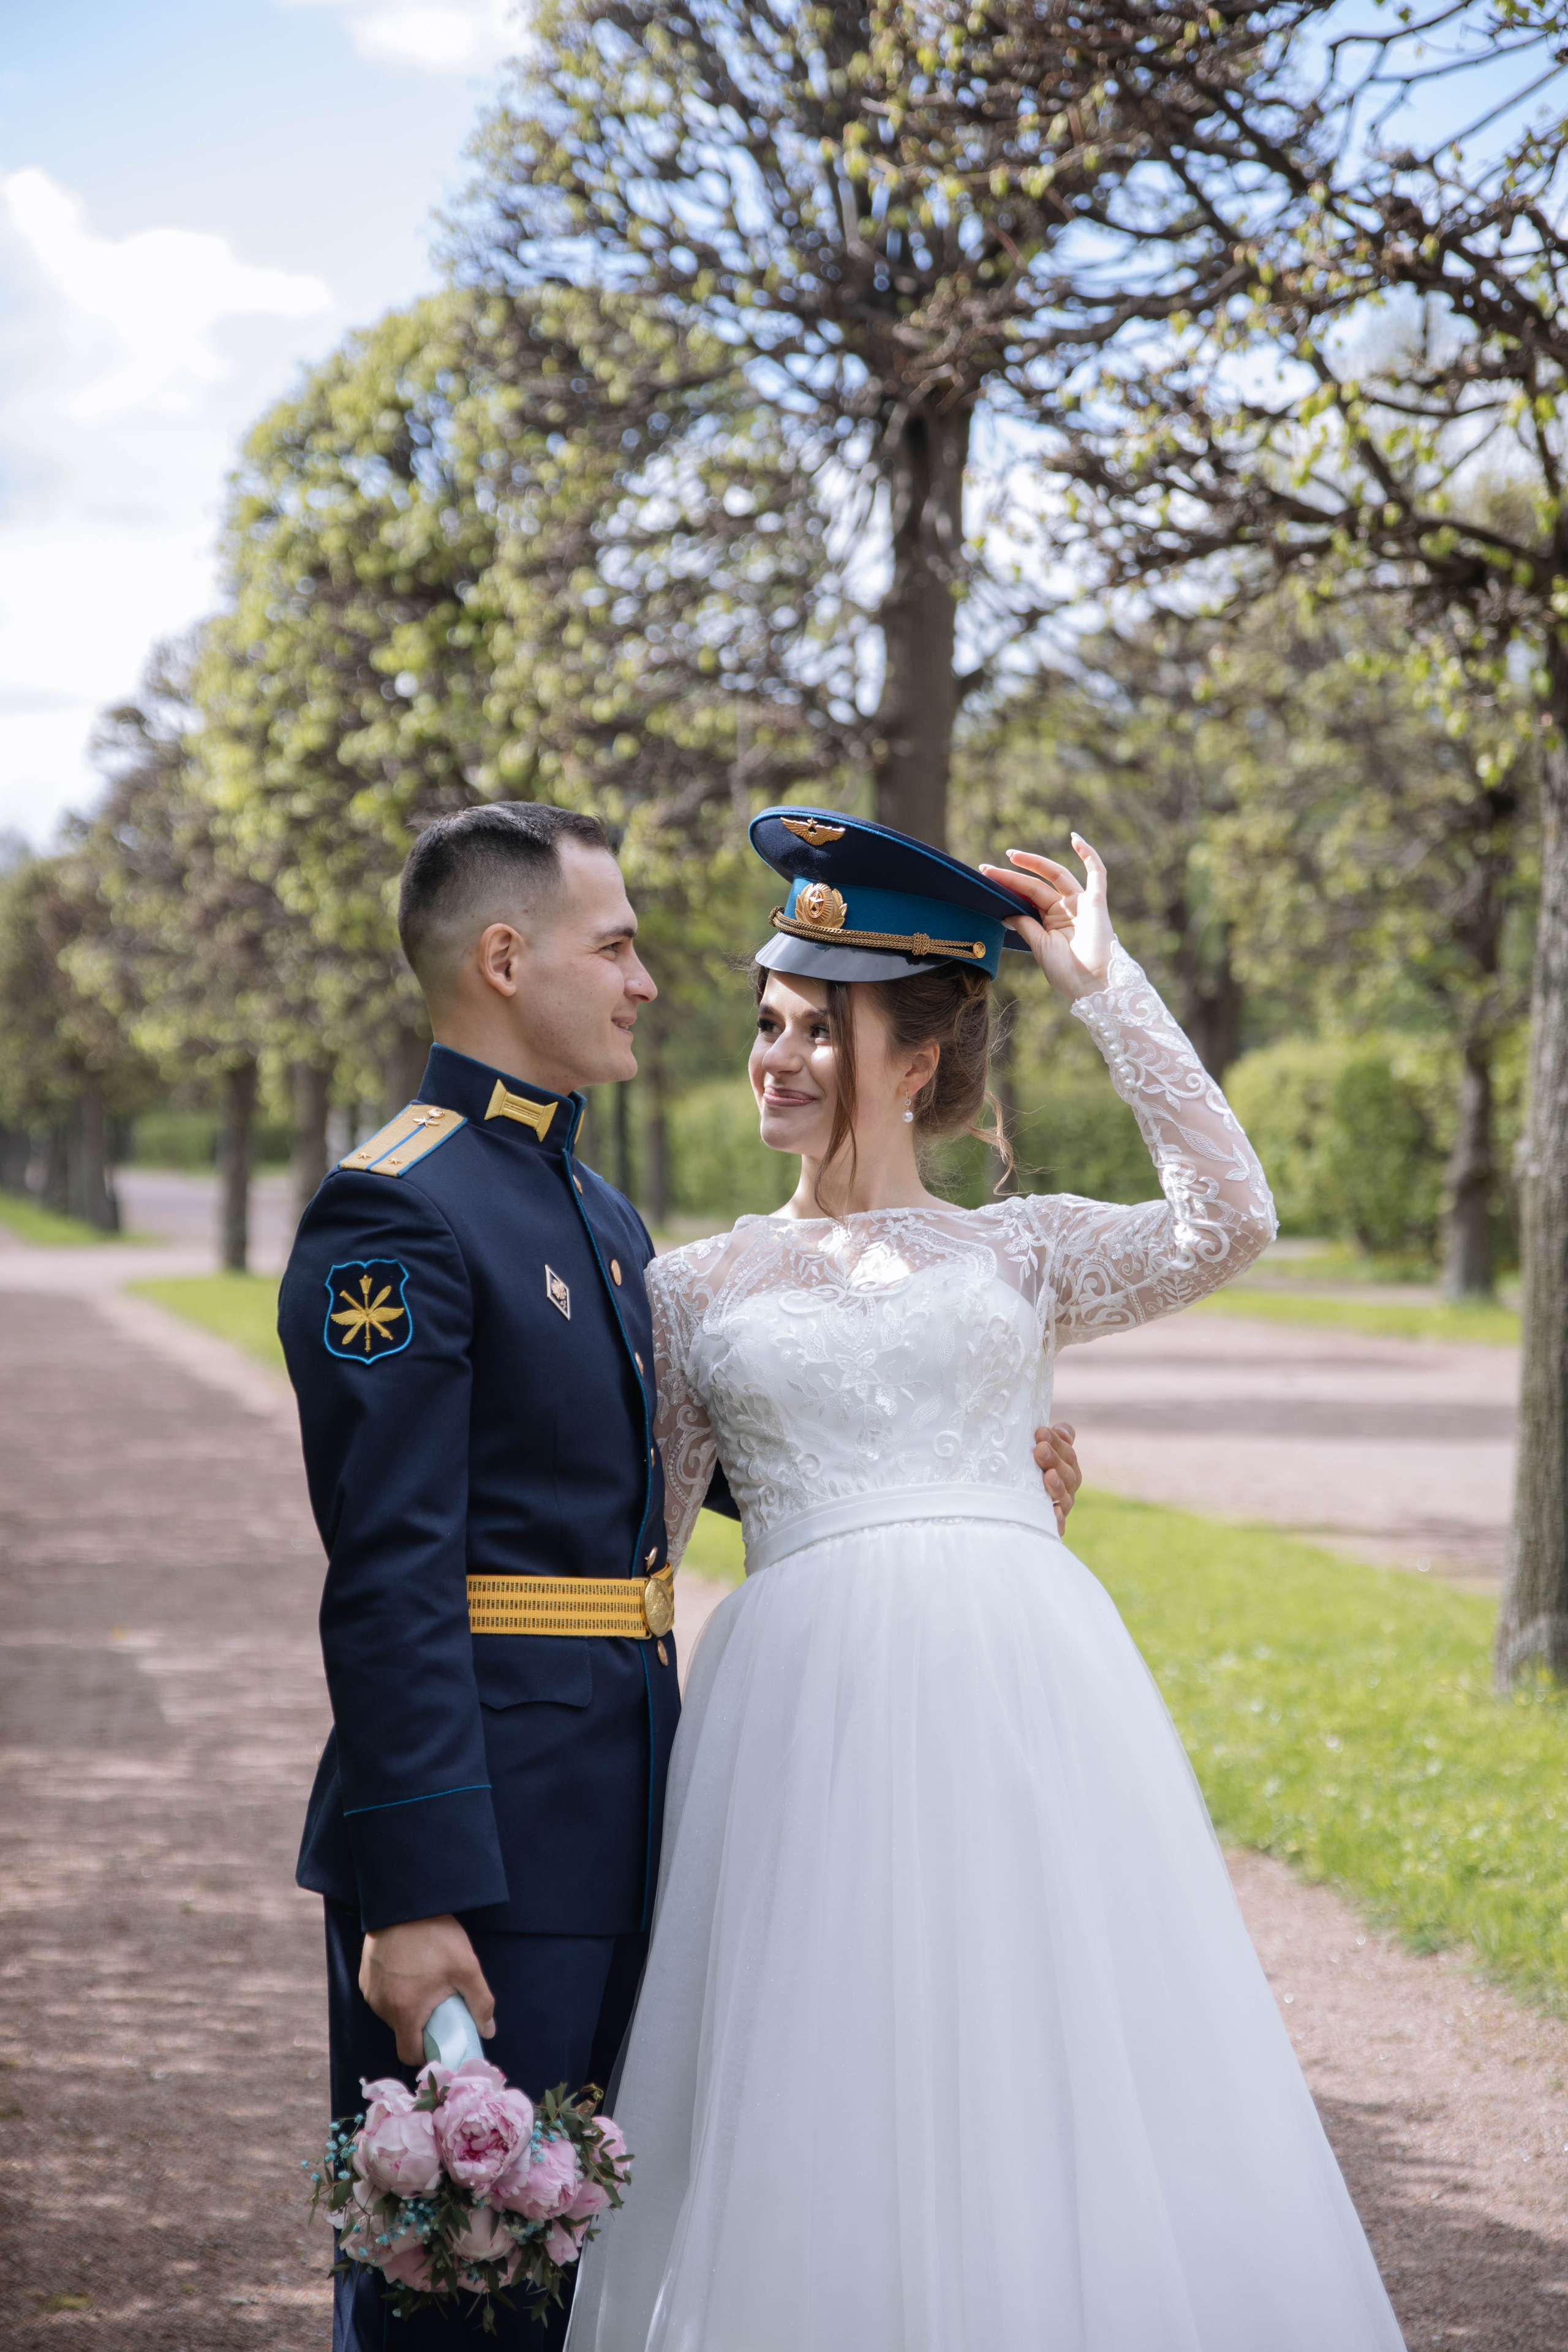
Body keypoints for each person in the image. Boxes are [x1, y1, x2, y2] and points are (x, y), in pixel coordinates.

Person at [567, 811, 1407, 2352]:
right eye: (767, 1021)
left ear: (913, 1063)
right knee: (823, 2057)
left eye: (821, 1027)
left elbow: (1232, 1219)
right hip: (797, 1715)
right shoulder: (689, 1290)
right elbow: (643, 1551)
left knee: (1042, 2041)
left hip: (1021, 1690)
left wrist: (1107, 991)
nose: (777, 1054)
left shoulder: (1018, 1255)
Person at [277, 801, 1084, 2349]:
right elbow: (388, 1578)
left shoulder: (593, 1207)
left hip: (641, 1805)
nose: (650, 982)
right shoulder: (402, 1207)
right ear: (505, 960)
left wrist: (973, 1458)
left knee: (577, 2272)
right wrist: (417, 1887)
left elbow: (634, 1491)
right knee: (460, 2286)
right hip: (495, 1833)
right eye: (620, 944)